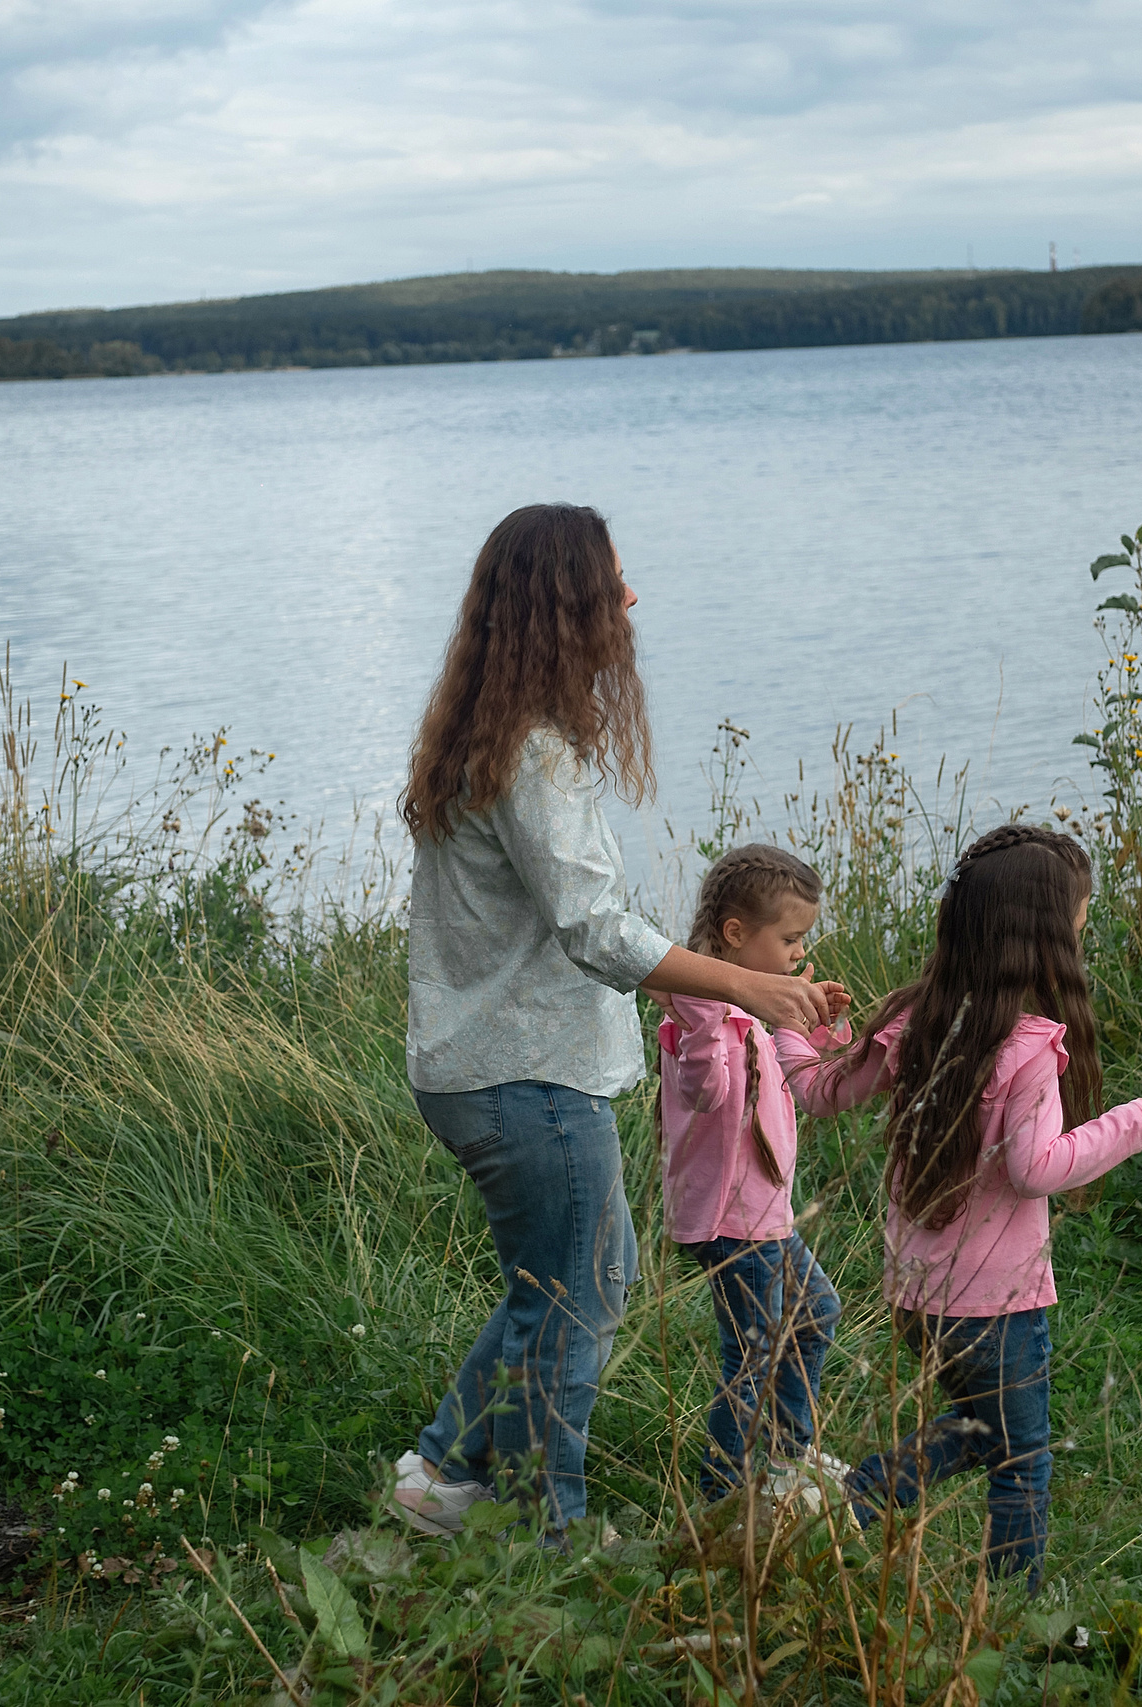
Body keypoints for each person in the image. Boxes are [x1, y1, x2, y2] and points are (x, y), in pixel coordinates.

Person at [393, 502, 846, 1539]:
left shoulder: (484, 738)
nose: (631, 599)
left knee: (552, 1286)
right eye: (613, 583)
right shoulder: (532, 755)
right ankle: (550, 1531)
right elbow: (595, 928)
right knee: (580, 1298)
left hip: (481, 1067)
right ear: (570, 606)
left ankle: (442, 1476)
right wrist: (750, 987)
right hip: (525, 1075)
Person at [779, 823, 1142, 1588]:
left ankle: (842, 1501)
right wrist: (1139, 1119)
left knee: (979, 1434)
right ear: (1044, 937)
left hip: (919, 1297)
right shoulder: (1028, 1046)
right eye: (1080, 918)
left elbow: (818, 1089)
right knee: (1022, 1462)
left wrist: (795, 1028)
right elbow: (1038, 1169)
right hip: (997, 1307)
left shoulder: (916, 1019)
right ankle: (1010, 1610)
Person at [657, 843, 854, 1504]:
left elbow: (788, 1080)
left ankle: (783, 1454)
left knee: (815, 1311)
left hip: (764, 1214)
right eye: (791, 938)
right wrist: (707, 1016)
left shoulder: (748, 1011)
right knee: (754, 1353)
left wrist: (814, 1017)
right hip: (728, 1221)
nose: (801, 951)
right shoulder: (700, 1018)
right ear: (737, 936)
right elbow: (708, 1093)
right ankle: (725, 1490)